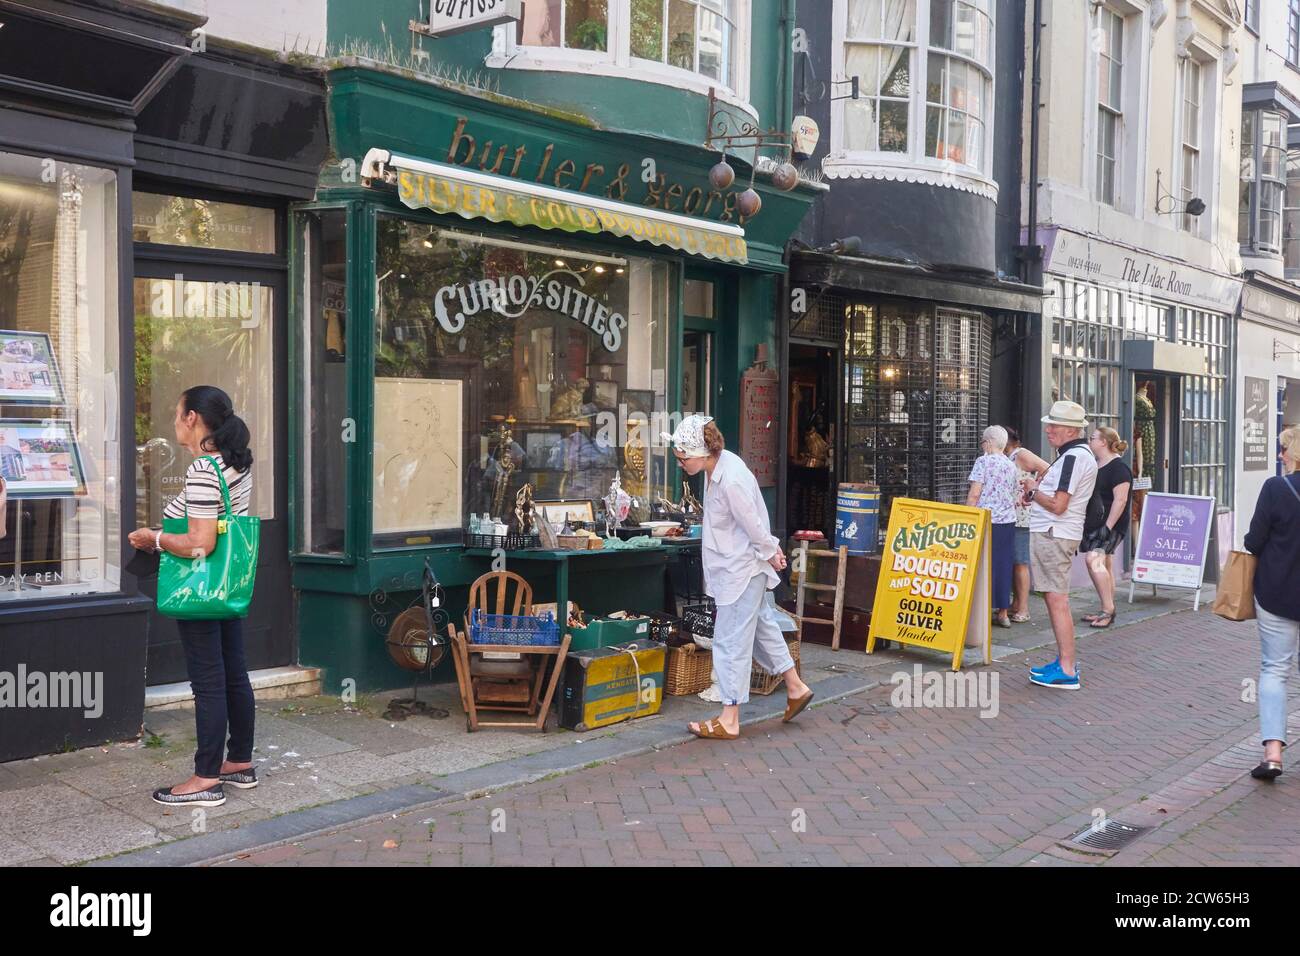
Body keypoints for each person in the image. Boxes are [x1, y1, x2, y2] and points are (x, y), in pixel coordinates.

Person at [129, 385, 256, 808]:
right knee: (234, 673)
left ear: (192, 419)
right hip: (227, 586)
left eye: (176, 412)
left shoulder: (204, 469)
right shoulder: (235, 463)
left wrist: (156, 538)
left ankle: (205, 779)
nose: (173, 421)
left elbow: (202, 542)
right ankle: (238, 763)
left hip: (199, 586)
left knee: (209, 681)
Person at [662, 414, 814, 739]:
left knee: (729, 640)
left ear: (700, 452)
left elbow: (752, 522)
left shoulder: (728, 479)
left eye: (683, 457)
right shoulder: (721, 467)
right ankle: (796, 686)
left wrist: (771, 551)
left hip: (739, 572)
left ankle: (730, 717)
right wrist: (768, 551)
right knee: (763, 627)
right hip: (741, 568)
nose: (680, 463)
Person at [1020, 401, 1097, 690]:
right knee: (1056, 599)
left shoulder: (1073, 458)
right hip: (1057, 532)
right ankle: (1064, 662)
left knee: (1056, 600)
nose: (1048, 429)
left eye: (1053, 425)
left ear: (1070, 430)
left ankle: (1066, 667)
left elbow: (1058, 505)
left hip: (1055, 533)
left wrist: (1032, 489)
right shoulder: (1077, 456)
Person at [1243, 426, 1300, 781]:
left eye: (1283, 449)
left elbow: (1253, 540)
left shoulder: (1276, 488)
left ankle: (1273, 754)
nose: (1280, 455)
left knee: (1274, 669)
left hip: (1278, 591)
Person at [1079, 426, 1132, 630]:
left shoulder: (1120, 469)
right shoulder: (1096, 464)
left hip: (1113, 523)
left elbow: (1120, 500)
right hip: (1096, 521)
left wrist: (1108, 528)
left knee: (1093, 559)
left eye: (1092, 438)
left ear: (1103, 442)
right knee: (1106, 564)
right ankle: (1107, 607)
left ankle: (1108, 611)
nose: (1089, 441)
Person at [966, 425, 1018, 628]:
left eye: (982, 442)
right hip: (1007, 520)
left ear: (987, 443)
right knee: (1003, 565)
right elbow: (1013, 492)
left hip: (986, 519)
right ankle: (1003, 612)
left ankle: (979, 610)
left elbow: (975, 493)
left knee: (981, 565)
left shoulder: (983, 461)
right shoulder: (1011, 465)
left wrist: (967, 515)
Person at [1005, 427, 1048, 623]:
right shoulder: (1009, 456)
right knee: (1014, 561)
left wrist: (1033, 489)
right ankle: (1016, 603)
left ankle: (1023, 607)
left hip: (1022, 516)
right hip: (1011, 515)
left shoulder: (1020, 454)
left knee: (1020, 562)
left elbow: (1047, 468)